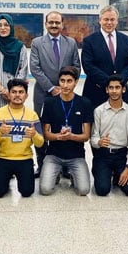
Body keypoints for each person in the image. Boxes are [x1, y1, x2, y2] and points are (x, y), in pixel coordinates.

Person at [29, 11, 81, 174]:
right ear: (46, 24)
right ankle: (42, 165)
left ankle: (64, 166)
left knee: (63, 126)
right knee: (42, 128)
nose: (53, 25)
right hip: (43, 94)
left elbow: (76, 67)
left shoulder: (71, 43)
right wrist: (52, 89)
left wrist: (66, 87)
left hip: (66, 95)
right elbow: (35, 68)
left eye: (57, 22)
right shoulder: (37, 43)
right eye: (50, 22)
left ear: (62, 24)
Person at [39, 66, 93, 196]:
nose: (65, 85)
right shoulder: (49, 102)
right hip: (54, 155)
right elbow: (46, 134)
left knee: (84, 190)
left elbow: (86, 136)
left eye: (69, 81)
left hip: (76, 156)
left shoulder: (84, 103)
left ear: (76, 82)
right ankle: (56, 172)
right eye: (62, 81)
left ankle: (73, 173)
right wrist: (58, 137)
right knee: (45, 190)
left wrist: (71, 136)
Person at [0, 78, 43, 198]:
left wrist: (34, 135)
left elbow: (40, 144)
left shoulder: (32, 115)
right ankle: (4, 181)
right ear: (8, 94)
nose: (17, 95)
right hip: (3, 158)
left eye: (21, 92)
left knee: (27, 192)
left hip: (25, 159)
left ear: (26, 95)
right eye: (14, 92)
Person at [90, 74, 128, 196]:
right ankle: (99, 170)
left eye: (117, 87)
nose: (114, 91)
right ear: (106, 90)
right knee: (102, 190)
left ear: (123, 89)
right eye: (111, 88)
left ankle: (117, 173)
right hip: (103, 154)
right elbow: (93, 138)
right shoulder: (99, 111)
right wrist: (99, 142)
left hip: (121, 155)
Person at [81, 5, 128, 108]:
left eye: (112, 19)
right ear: (100, 20)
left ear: (117, 21)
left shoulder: (126, 40)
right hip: (96, 92)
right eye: (106, 19)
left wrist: (119, 82)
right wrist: (109, 82)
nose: (109, 23)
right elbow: (88, 65)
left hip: (120, 93)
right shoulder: (89, 41)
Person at [0, 13, 29, 110]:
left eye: (6, 25)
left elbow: (23, 71)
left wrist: (12, 91)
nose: (3, 28)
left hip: (15, 95)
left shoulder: (20, 47)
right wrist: (2, 89)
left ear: (11, 27)